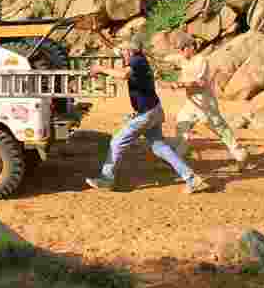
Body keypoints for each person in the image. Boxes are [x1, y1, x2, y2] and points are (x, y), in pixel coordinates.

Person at [85, 35, 211, 194]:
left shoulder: (137, 61)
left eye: (124, 51)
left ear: (131, 51)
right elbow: (116, 50)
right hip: (154, 110)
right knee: (159, 147)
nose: (122, 54)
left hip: (147, 114)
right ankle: (192, 179)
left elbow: (123, 74)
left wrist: (100, 68)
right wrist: (99, 33)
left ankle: (106, 178)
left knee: (117, 142)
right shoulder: (136, 57)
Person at [162, 32, 248, 169]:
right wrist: (155, 61)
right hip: (191, 102)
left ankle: (240, 154)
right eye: (180, 49)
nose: (181, 51)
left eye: (183, 48)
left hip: (205, 102)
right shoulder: (183, 58)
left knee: (220, 129)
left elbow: (200, 82)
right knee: (182, 123)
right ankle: (179, 155)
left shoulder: (201, 61)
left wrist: (180, 84)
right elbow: (166, 59)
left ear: (191, 47)